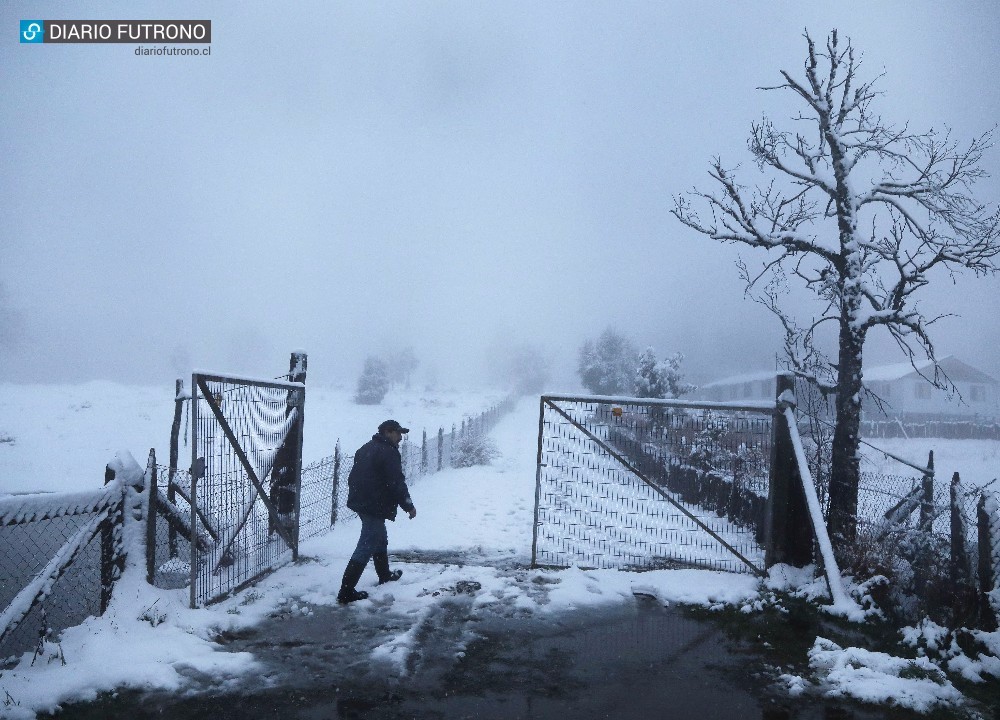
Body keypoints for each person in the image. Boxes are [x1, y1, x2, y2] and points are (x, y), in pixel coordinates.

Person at [337, 419, 417, 604]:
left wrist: (362, 498)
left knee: (379, 537)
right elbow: (396, 482)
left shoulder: (365, 448)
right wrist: (408, 506)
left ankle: (384, 575)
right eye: (398, 434)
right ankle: (346, 591)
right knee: (367, 543)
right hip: (374, 504)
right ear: (388, 432)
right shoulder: (388, 452)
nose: (400, 438)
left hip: (363, 502)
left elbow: (354, 477)